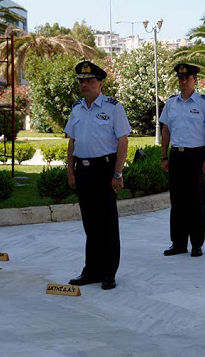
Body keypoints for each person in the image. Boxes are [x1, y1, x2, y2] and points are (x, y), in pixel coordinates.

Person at [65, 60, 131, 290]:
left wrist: (117, 172)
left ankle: (109, 272)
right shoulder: (76, 109)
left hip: (105, 170)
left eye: (89, 81)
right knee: (90, 224)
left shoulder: (113, 108)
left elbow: (123, 141)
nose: (84, 85)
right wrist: (70, 170)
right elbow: (72, 142)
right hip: (83, 171)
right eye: (81, 81)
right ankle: (91, 270)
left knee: (107, 224)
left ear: (100, 83)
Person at [159, 63, 205, 257]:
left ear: (195, 80)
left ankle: (196, 243)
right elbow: (166, 130)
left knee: (196, 201)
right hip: (177, 155)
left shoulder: (203, 103)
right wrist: (164, 156)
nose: (183, 81)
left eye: (187, 78)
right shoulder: (171, 103)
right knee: (177, 201)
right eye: (180, 78)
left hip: (196, 156)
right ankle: (178, 243)